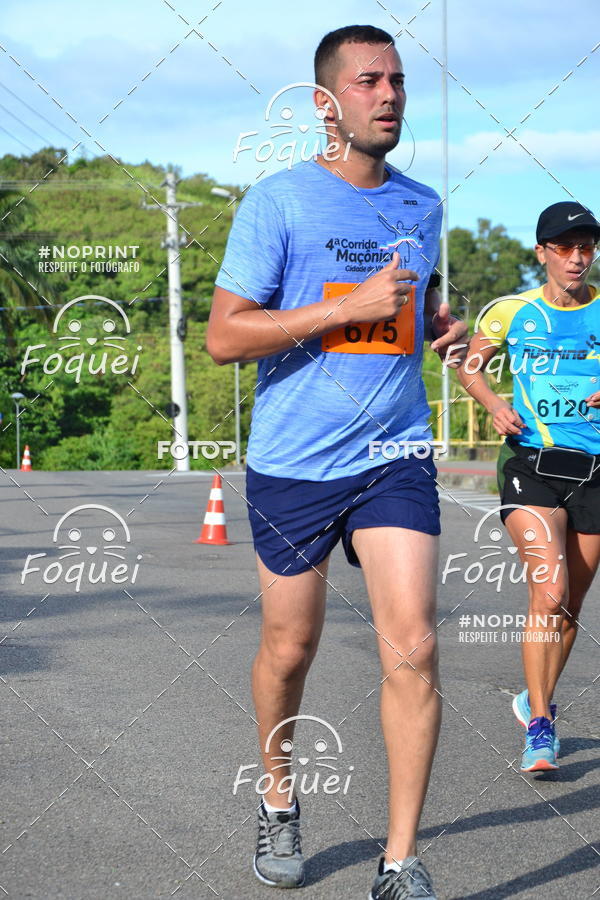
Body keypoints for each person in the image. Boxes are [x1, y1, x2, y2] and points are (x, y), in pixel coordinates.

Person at [208, 24, 466, 898]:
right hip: (294, 461)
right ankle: (279, 799)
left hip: (394, 453)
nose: (389, 94)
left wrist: (437, 329)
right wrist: (343, 305)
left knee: (415, 647)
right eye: (368, 82)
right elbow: (222, 338)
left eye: (396, 80)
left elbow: (413, 313)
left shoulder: (425, 205)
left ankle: (400, 861)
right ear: (327, 103)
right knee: (290, 646)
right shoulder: (276, 203)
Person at [457, 201, 600, 773]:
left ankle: (531, 696)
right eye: (564, 247)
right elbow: (470, 365)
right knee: (550, 591)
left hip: (594, 469)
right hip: (531, 464)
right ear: (541, 252)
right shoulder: (512, 311)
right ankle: (541, 726)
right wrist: (493, 404)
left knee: (571, 606)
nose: (577, 257)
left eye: (586, 247)